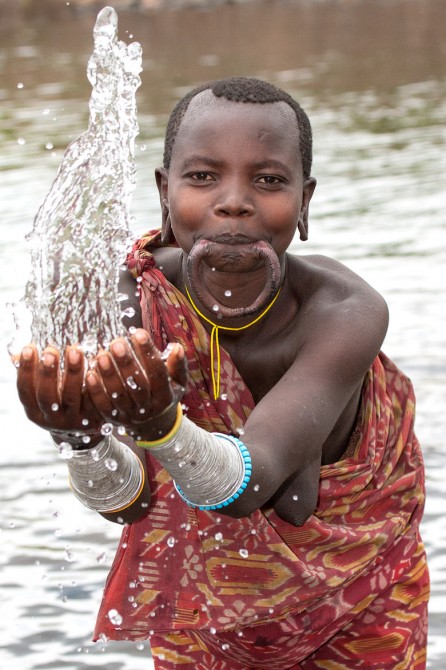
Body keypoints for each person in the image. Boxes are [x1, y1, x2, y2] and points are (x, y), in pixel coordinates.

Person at [15, 78, 429, 669]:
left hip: (362, 600)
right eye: (203, 177)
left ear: (305, 201)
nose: (234, 201)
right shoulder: (134, 303)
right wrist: (79, 440)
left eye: (269, 180)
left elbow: (249, 486)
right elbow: (130, 503)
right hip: (204, 615)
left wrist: (162, 426)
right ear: (164, 194)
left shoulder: (343, 313)